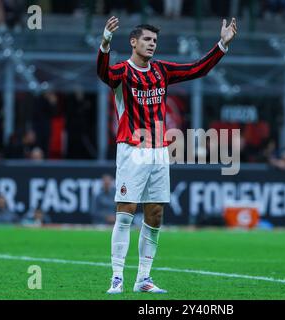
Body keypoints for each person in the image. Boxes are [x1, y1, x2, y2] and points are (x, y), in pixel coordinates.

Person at [97, 16, 237, 294]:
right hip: (132, 149)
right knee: (125, 213)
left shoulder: (162, 70)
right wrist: (105, 42)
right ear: (133, 42)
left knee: (155, 213)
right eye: (147, 40)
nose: (152, 44)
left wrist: (221, 44)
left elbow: (197, 68)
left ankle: (143, 278)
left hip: (160, 151)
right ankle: (116, 277)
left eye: (155, 41)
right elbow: (103, 73)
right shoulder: (122, 73)